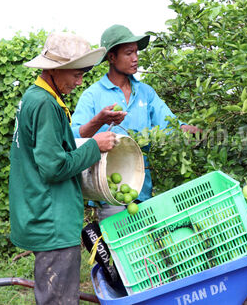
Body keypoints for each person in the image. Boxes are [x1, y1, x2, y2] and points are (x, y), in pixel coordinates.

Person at [9, 31, 117, 305]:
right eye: (75, 74)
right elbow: (53, 167)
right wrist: (94, 147)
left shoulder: (36, 97)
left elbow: (56, 143)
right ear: (55, 70)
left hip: (41, 211)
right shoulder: (45, 104)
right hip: (51, 219)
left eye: (84, 74)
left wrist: (94, 126)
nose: (80, 81)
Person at [71, 24, 200, 218]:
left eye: (136, 52)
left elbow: (169, 123)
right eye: (129, 53)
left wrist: (185, 129)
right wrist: (99, 121)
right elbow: (75, 136)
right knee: (119, 243)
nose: (135, 58)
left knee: (145, 245)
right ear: (112, 58)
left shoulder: (145, 93)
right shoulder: (93, 95)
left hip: (141, 189)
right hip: (108, 191)